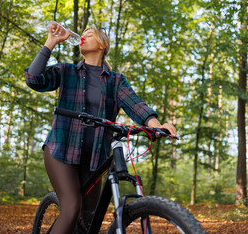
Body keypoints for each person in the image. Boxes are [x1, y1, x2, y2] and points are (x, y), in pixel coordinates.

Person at [25, 24, 177, 233]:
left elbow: (136, 105)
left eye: (89, 34)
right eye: (82, 35)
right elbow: (34, 79)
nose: (83, 37)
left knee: (88, 222)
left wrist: (157, 126)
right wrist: (51, 41)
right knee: (71, 208)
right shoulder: (67, 71)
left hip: (94, 160)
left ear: (103, 44)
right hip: (60, 150)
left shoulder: (115, 81)